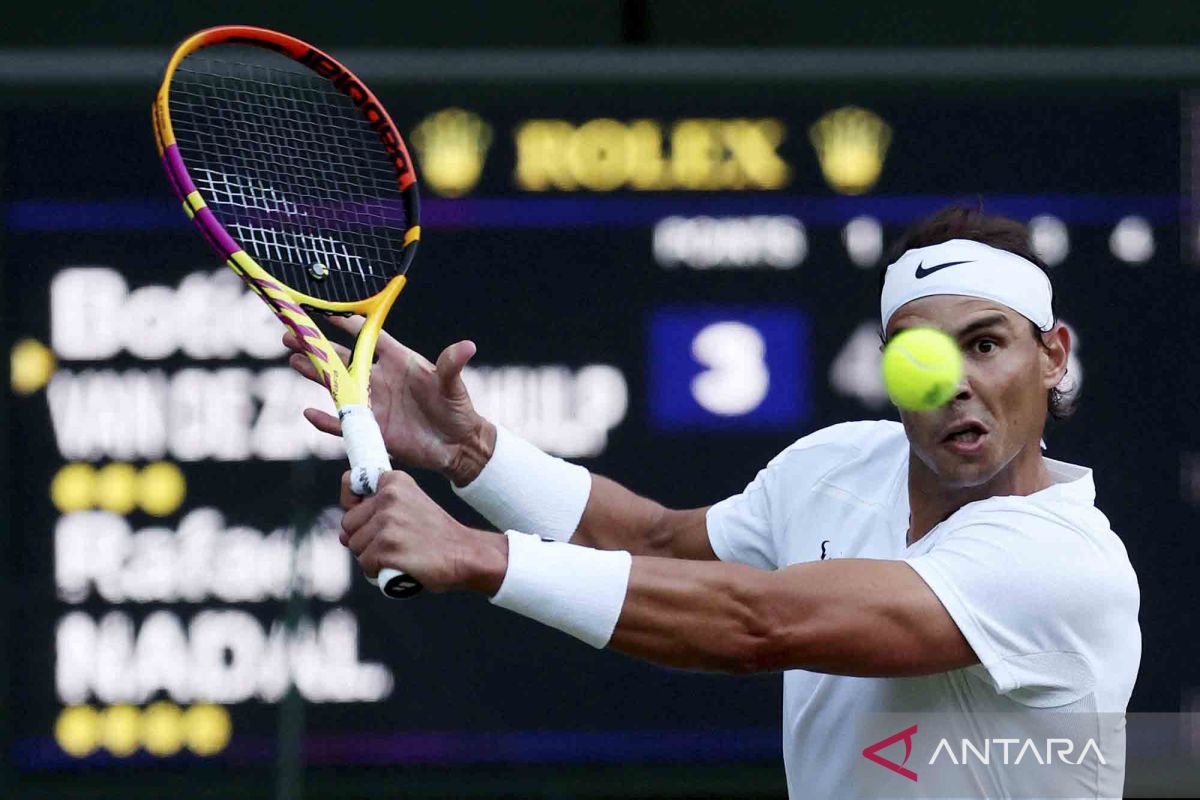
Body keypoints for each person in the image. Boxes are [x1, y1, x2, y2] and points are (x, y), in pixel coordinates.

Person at [285, 206, 1140, 798]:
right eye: (922, 356)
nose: (955, 382)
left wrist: (479, 555)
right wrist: (471, 452)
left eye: (986, 344)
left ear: (1053, 356)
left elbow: (755, 624)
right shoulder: (837, 467)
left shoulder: (1062, 564)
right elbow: (657, 541)